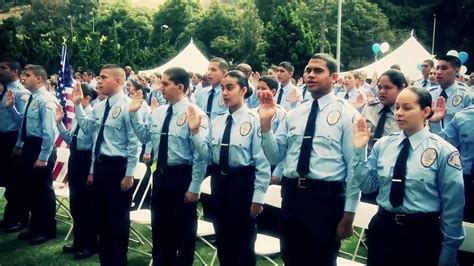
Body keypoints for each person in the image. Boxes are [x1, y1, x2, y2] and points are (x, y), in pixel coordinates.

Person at [259, 53, 360, 266]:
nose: (311, 75)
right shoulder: (295, 114)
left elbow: (355, 167)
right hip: (293, 196)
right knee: (292, 256)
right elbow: (275, 156)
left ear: (334, 78)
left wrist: (349, 214)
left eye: (318, 71)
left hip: (325, 198)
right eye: (308, 70)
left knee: (321, 259)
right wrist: (266, 125)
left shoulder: (346, 114)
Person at [352, 86, 465, 266]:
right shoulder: (384, 145)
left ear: (426, 111)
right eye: (397, 107)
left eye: (407, 107)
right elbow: (368, 186)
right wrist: (359, 151)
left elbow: (453, 208)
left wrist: (448, 252)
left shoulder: (444, 151)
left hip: (420, 235)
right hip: (383, 229)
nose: (399, 113)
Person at [129, 67, 208, 265]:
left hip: (182, 177)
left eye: (165, 84)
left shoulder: (195, 114)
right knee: (160, 229)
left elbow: (201, 156)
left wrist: (195, 186)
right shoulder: (159, 112)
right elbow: (145, 137)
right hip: (161, 176)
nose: (160, 87)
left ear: (180, 87)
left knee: (183, 232)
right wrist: (134, 114)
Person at [191, 70, 271, 265]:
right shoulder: (217, 121)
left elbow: (262, 163)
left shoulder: (254, 121)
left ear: (243, 90)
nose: (225, 93)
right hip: (220, 182)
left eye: (230, 88)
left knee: (242, 242)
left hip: (242, 183)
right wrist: (195, 132)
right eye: (223, 88)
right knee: (223, 239)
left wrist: (258, 198)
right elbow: (208, 156)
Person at [72, 64, 139, 265]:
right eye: (99, 77)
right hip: (101, 167)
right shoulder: (100, 106)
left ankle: (118, 261)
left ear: (117, 81)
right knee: (100, 218)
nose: (98, 81)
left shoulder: (128, 106)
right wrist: (77, 105)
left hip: (118, 168)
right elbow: (87, 128)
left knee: (117, 221)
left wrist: (129, 174)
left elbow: (134, 143)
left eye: (103, 77)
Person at [13, 64, 58, 245]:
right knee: (31, 190)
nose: (23, 78)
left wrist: (43, 157)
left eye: (28, 75)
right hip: (30, 146)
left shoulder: (46, 100)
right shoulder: (32, 98)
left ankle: (45, 229)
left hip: (41, 148)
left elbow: (49, 132)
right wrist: (18, 145)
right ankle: (34, 227)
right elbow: (24, 124)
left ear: (39, 79)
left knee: (42, 191)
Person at [55, 83, 97, 260]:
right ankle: (79, 241)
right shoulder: (77, 116)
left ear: (87, 98)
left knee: (87, 206)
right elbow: (70, 139)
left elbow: (95, 145)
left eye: (78, 95)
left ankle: (89, 244)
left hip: (87, 160)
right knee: (76, 204)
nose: (73, 98)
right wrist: (59, 124)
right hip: (75, 159)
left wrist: (92, 170)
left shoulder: (93, 115)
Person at [0, 59, 30, 232]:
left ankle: (19, 218)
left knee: (16, 182)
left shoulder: (20, 93)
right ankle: (10, 216)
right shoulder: (5, 91)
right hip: (3, 139)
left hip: (14, 139)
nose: (0, 71)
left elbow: (23, 123)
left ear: (15, 72)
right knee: (8, 180)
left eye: (4, 68)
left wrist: (18, 145)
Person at [429, 55, 473, 134]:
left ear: (457, 71)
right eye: (437, 68)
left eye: (444, 68)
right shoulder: (429, 94)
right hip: (431, 142)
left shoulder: (466, 95)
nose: (438, 72)